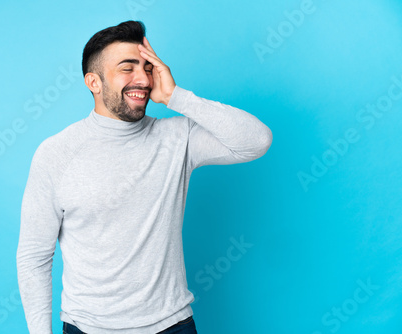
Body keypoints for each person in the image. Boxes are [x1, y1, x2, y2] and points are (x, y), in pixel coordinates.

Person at [16, 20, 272, 334]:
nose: (143, 79)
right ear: (93, 82)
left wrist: (177, 97)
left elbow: (257, 141)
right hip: (88, 328)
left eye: (147, 67)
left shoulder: (178, 138)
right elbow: (34, 256)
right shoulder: (56, 153)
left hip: (172, 326)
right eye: (128, 68)